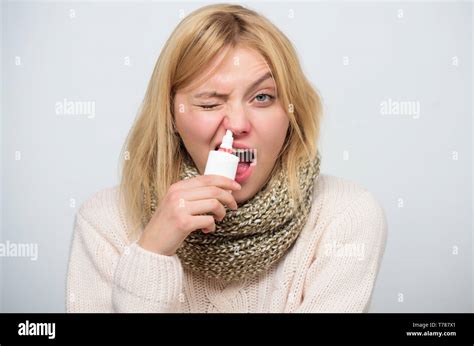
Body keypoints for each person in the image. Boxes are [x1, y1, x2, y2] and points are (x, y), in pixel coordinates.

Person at [66, 3, 388, 313]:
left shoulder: (344, 216)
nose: (237, 125)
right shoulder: (105, 223)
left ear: (293, 112)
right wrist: (151, 253)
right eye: (209, 103)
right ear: (171, 118)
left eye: (262, 97)